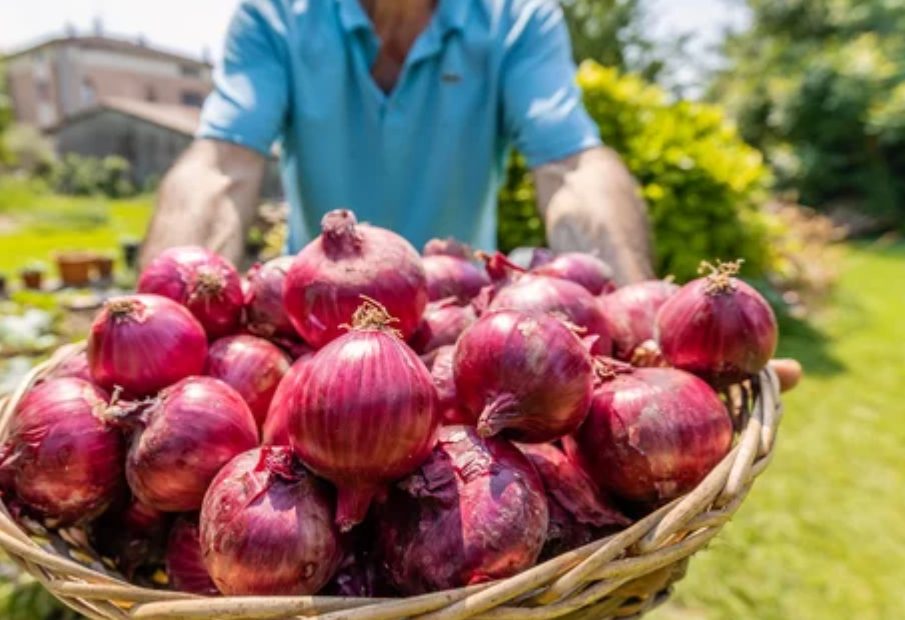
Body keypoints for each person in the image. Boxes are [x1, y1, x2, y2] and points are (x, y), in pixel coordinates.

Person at [142, 0, 801, 391]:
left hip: (470, 345)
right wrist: (160, 329)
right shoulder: (275, 16)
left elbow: (571, 165)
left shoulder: (513, 16)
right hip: (305, 336)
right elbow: (221, 165)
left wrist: (644, 333)